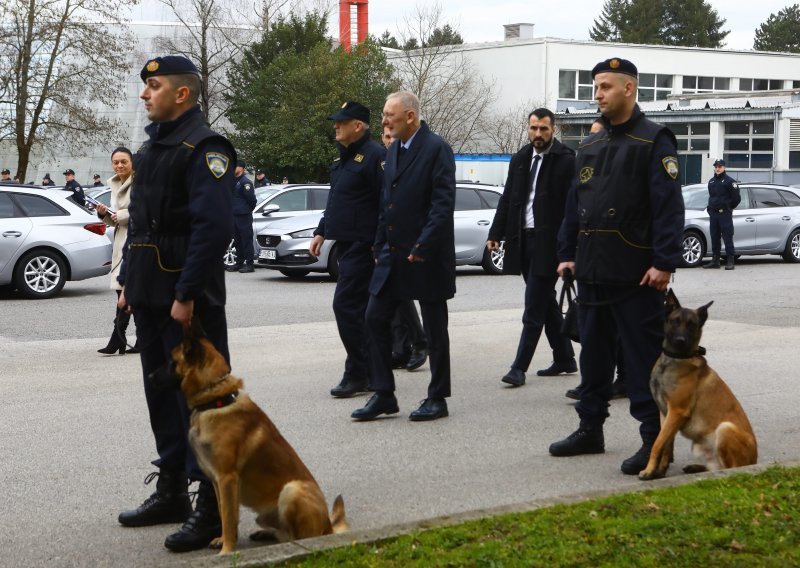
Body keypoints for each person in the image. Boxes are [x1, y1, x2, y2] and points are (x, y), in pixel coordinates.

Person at [116, 55, 235, 553]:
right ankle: (171, 490)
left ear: (182, 93)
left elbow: (213, 229)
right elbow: (140, 225)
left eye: (154, 86)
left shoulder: (205, 147)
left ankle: (211, 507)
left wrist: (186, 294)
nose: (145, 93)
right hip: (149, 291)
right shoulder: (153, 148)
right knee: (161, 394)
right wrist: (126, 282)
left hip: (186, 298)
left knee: (204, 402)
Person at [549, 57, 684, 475]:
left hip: (635, 273)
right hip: (590, 269)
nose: (598, 94)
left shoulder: (654, 140)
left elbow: (668, 208)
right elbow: (576, 205)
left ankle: (654, 442)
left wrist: (664, 262)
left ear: (629, 88)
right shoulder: (589, 145)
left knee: (642, 361)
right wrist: (566, 252)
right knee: (593, 358)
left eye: (605, 86)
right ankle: (591, 428)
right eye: (595, 87)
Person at [351, 91, 456, 422]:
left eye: (389, 115)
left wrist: (423, 245)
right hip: (393, 255)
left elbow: (442, 205)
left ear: (410, 116)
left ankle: (437, 397)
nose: (383, 121)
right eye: (383, 114)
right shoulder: (394, 149)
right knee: (374, 317)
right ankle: (384, 393)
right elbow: (388, 202)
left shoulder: (436, 148)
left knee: (435, 330)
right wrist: (379, 244)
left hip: (426, 256)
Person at [486, 108, 577, 387]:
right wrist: (496, 233)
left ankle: (518, 368)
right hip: (522, 240)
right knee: (545, 301)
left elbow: (573, 209)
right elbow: (507, 198)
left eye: (544, 129)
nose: (538, 134)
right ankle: (564, 357)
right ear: (528, 128)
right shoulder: (521, 158)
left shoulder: (566, 160)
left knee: (534, 306)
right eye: (534, 128)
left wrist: (568, 250)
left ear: (553, 131)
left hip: (550, 244)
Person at [310, 101, 385, 398]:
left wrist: (379, 244)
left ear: (358, 126)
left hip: (363, 245)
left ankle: (359, 372)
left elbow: (385, 205)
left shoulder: (376, 156)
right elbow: (338, 201)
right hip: (345, 243)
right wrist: (321, 230)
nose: (335, 126)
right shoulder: (343, 159)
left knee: (346, 307)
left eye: (342, 122)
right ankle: (368, 369)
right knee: (360, 312)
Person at [380, 126, 428, 372]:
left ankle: (419, 342)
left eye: (392, 136)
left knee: (400, 296)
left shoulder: (408, 159)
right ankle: (401, 348)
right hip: (382, 238)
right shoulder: (384, 160)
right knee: (392, 298)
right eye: (385, 136)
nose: (389, 141)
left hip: (402, 240)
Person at [96, 147, 139, 356]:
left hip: (139, 241)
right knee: (125, 291)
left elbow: (145, 209)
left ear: (132, 162)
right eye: (116, 162)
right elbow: (118, 217)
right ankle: (124, 338)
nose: (119, 166)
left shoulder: (140, 182)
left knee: (129, 291)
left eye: (124, 161)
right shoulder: (115, 183)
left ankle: (118, 338)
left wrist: (122, 215)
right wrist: (104, 215)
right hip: (121, 240)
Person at [703, 159, 740, 270]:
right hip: (714, 214)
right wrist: (710, 209)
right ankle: (715, 260)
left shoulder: (730, 182)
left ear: (724, 168)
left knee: (727, 236)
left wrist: (729, 207)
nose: (718, 168)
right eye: (716, 166)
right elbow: (712, 197)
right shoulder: (711, 182)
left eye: (720, 166)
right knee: (714, 237)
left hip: (724, 214)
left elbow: (737, 198)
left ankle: (730, 260)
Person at [226, 159, 257, 273]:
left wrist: (247, 210)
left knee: (246, 239)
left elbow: (252, 200)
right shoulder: (233, 181)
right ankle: (239, 263)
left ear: (242, 168)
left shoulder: (245, 182)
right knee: (237, 240)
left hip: (243, 216)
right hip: (234, 215)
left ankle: (250, 264)